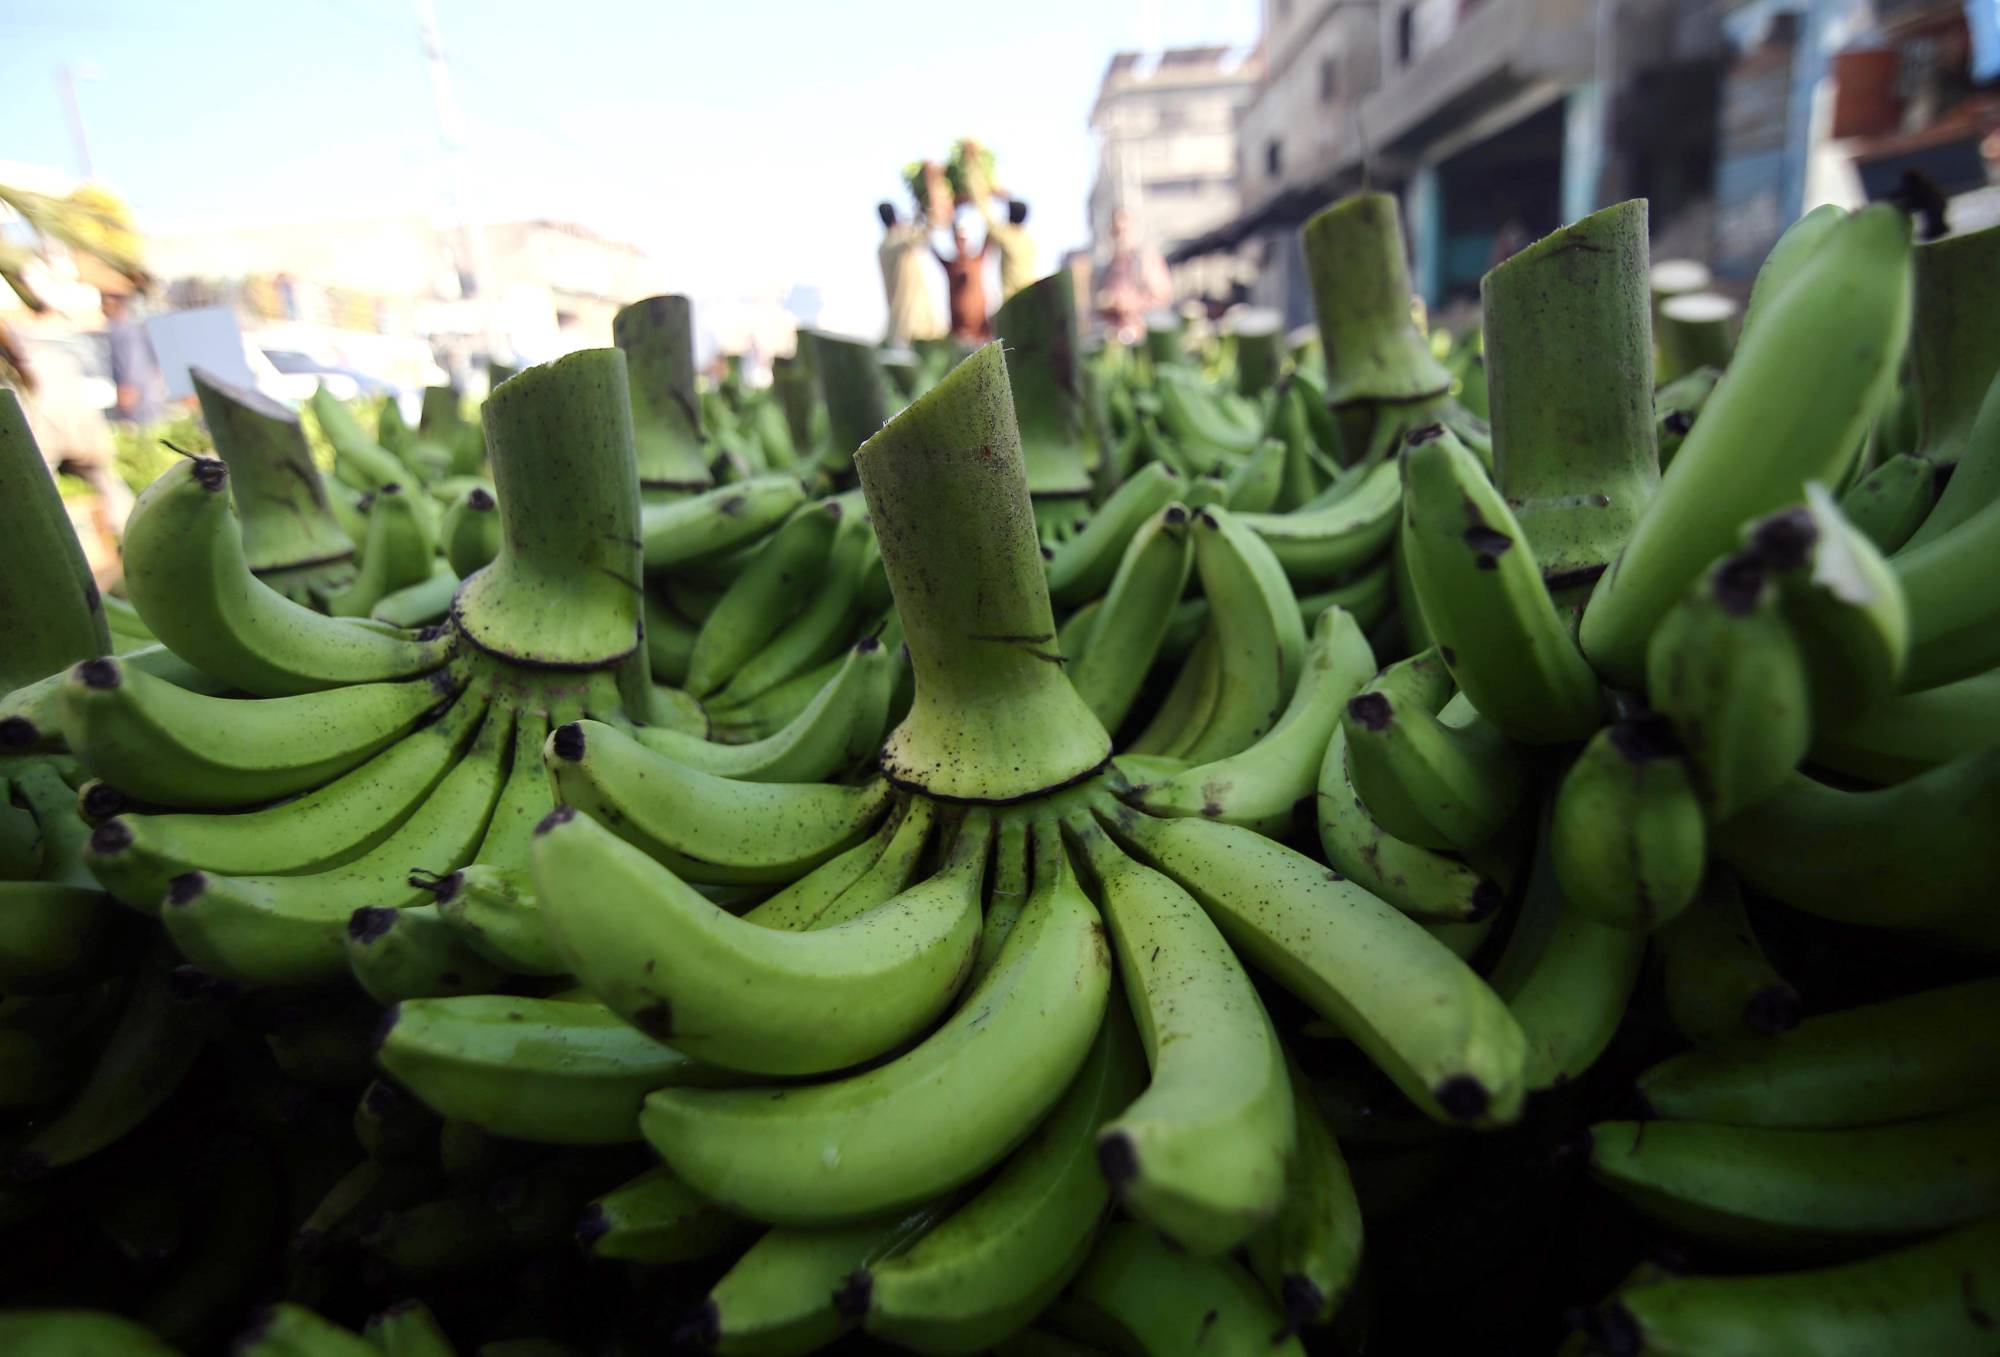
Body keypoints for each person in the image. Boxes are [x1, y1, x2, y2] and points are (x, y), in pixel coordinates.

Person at [1094, 208, 1171, 344]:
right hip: (1116, 338)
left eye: (1124, 230)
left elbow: (1162, 296)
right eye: (1117, 231)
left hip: (1143, 337)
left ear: (1133, 230)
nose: (1121, 236)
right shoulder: (1107, 267)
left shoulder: (1145, 260)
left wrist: (1127, 303)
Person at [877, 196, 944, 346]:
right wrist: (923, 215)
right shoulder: (893, 242)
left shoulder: (884, 247)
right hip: (909, 320)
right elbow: (919, 237)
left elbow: (919, 237)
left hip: (907, 319)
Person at [100, 287, 164, 426]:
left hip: (137, 387)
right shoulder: (125, 326)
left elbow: (129, 360)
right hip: (142, 385)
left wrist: (127, 386)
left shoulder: (124, 329)